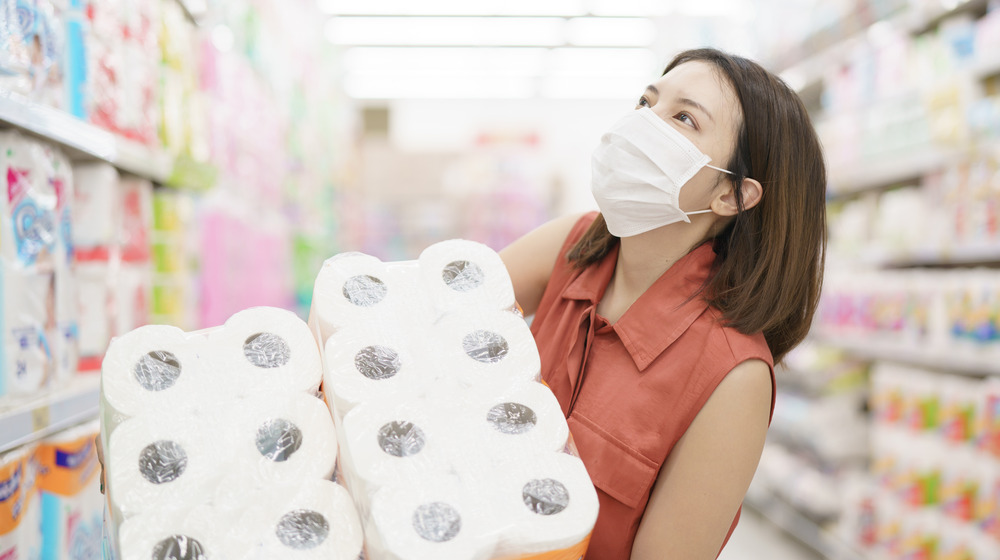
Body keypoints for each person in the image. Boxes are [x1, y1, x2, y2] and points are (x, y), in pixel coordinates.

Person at [499, 47, 826, 559]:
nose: (642, 124)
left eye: (683, 118)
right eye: (646, 102)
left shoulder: (732, 377)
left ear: (732, 196)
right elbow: (440, 312)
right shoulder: (573, 246)